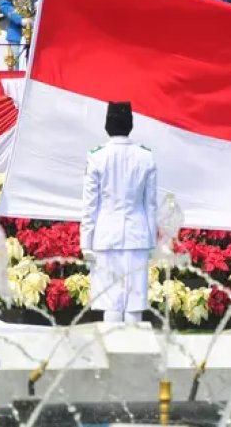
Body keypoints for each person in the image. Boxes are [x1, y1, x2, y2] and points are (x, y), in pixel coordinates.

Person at [80, 102, 158, 324]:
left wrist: (86, 241)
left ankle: (112, 354)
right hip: (138, 235)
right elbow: (150, 204)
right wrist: (151, 241)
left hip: (106, 236)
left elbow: (89, 205)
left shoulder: (97, 156)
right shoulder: (146, 156)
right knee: (134, 302)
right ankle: (135, 354)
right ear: (130, 124)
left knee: (110, 301)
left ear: (107, 124)